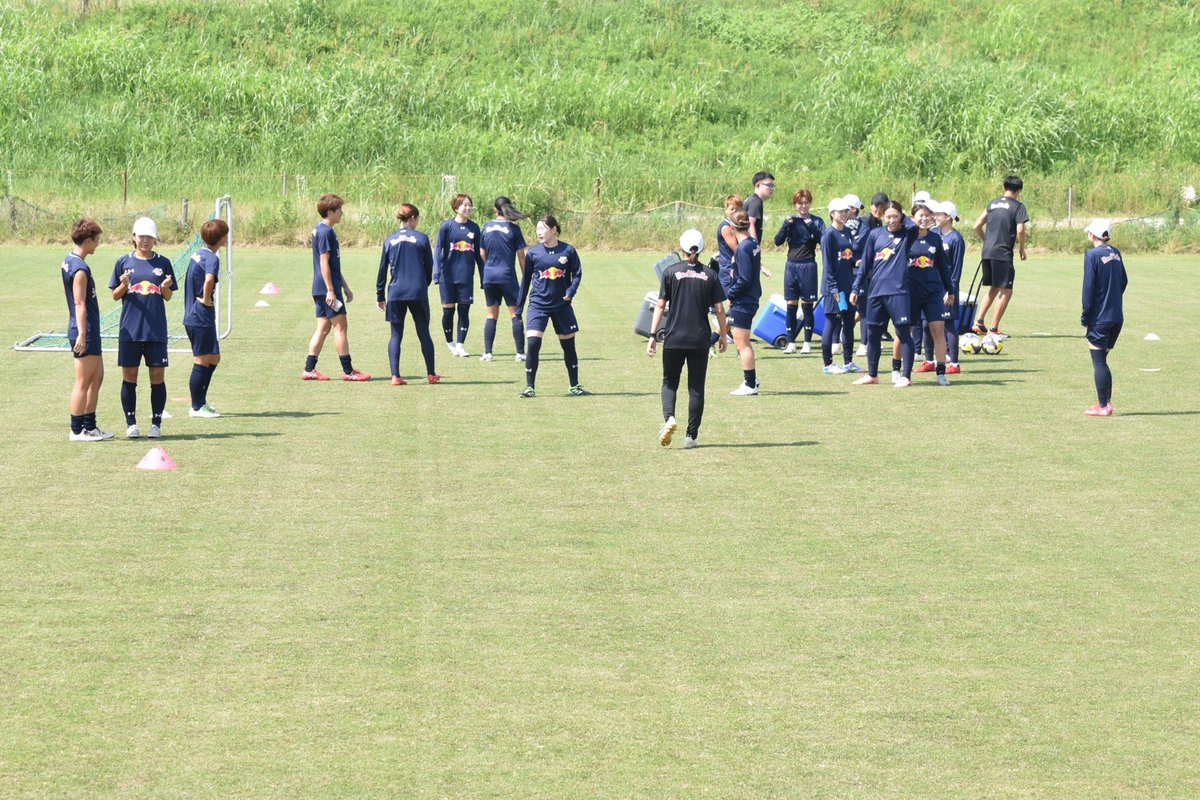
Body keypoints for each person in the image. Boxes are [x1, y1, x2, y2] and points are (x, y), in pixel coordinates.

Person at [646, 229, 728, 449]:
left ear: (681, 247)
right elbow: (720, 309)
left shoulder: (670, 272)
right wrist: (722, 334)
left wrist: (652, 335)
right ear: (701, 249)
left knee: (669, 382)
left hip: (674, 338)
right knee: (696, 388)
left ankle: (669, 418)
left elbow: (660, 305)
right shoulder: (710, 275)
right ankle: (691, 436)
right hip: (700, 340)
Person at [109, 216, 175, 438]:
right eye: (141, 236)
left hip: (156, 330)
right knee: (130, 378)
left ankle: (156, 425)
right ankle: (131, 424)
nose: (145, 241)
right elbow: (115, 295)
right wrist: (123, 285)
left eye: (150, 237)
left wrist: (165, 287)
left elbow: (168, 297)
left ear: (155, 239)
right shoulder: (123, 262)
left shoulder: (163, 263)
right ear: (134, 237)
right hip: (131, 331)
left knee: (157, 377)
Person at [849, 202, 920, 387]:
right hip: (876, 292)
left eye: (895, 216)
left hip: (898, 292)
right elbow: (865, 263)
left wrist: (903, 216)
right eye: (888, 216)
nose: (891, 220)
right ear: (882, 216)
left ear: (901, 216)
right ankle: (872, 375)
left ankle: (906, 376)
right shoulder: (875, 234)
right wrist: (856, 288)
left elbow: (914, 226)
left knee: (903, 333)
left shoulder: (907, 234)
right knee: (872, 333)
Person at [516, 215, 588, 397]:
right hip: (538, 304)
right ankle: (530, 387)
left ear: (554, 230)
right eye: (537, 229)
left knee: (569, 346)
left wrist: (571, 291)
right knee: (533, 343)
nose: (539, 232)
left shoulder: (568, 251)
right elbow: (525, 281)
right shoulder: (533, 253)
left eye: (543, 228)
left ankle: (574, 386)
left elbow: (577, 274)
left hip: (562, 305)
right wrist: (519, 307)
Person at [302, 193, 369, 381]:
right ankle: (348, 372)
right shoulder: (326, 232)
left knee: (323, 328)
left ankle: (309, 369)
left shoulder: (320, 230)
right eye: (339, 209)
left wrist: (344, 286)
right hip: (327, 289)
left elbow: (332, 266)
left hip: (321, 288)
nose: (342, 213)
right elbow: (324, 262)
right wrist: (331, 290)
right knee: (341, 327)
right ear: (330, 211)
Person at [376, 203, 439, 385]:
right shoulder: (422, 238)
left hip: (396, 292)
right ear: (412, 218)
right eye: (417, 219)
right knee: (424, 332)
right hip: (417, 291)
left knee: (396, 335)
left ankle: (395, 376)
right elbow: (429, 268)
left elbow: (382, 270)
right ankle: (431, 374)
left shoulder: (389, 240)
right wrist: (422, 285)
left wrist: (380, 295)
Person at [62, 218, 113, 441]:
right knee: (83, 381)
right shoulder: (80, 269)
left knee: (97, 377)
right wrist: (82, 334)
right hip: (85, 330)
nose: (98, 244)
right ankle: (76, 430)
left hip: (90, 329)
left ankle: (90, 426)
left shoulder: (70, 260)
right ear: (88, 240)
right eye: (97, 240)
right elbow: (79, 303)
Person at [893, 202, 954, 386]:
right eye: (921, 215)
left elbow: (942, 267)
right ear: (912, 218)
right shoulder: (905, 237)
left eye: (928, 215)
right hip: (909, 293)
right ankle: (896, 369)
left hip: (932, 292)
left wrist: (950, 289)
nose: (925, 218)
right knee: (903, 333)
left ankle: (941, 373)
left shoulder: (935, 238)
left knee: (938, 330)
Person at [971, 175, 1029, 337]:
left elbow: (976, 225)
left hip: (987, 252)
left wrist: (987, 241)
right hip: (1002, 253)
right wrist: (1022, 249)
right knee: (1007, 291)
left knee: (994, 287)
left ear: (1004, 188)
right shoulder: (1018, 206)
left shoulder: (992, 203)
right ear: (1019, 190)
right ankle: (994, 329)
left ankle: (978, 322)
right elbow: (1020, 230)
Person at [1080, 219, 1127, 416]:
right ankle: (1105, 403)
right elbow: (1124, 281)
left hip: (1099, 319)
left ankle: (1103, 405)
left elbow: (1088, 288)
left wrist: (1085, 316)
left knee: (1099, 362)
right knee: (1102, 360)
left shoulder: (1092, 255)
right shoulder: (1115, 252)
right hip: (1116, 317)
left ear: (1092, 235)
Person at [183, 219, 228, 417]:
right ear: (222, 238)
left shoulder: (198, 254)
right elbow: (209, 279)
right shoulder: (212, 258)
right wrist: (206, 299)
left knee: (214, 357)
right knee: (201, 360)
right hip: (200, 316)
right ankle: (196, 407)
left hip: (195, 315)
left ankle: (201, 401)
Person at [479, 196, 528, 362]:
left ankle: (487, 353)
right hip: (507, 276)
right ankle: (520, 353)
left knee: (491, 315)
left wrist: (490, 266)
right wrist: (526, 275)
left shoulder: (486, 226)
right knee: (515, 314)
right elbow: (521, 256)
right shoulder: (513, 229)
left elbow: (482, 253)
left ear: (495, 210)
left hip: (489, 276)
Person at [774, 188, 824, 354]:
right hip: (791, 266)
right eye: (800, 203)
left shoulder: (816, 221)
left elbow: (823, 240)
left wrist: (811, 227)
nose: (803, 206)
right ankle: (791, 342)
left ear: (810, 203)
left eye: (806, 203)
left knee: (808, 306)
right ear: (795, 204)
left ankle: (807, 343)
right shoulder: (791, 221)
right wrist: (785, 226)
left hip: (808, 266)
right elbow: (777, 241)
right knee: (791, 305)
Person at [435, 193, 484, 357]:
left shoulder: (474, 228)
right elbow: (437, 249)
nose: (468, 208)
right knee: (448, 312)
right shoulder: (446, 226)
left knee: (464, 311)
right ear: (456, 208)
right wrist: (436, 272)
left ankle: (461, 345)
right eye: (464, 205)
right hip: (447, 277)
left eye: (470, 205)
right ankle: (450, 343)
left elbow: (478, 255)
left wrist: (483, 276)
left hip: (466, 277)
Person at [920, 200, 965, 374]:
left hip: (946, 289)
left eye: (939, 214)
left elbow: (956, 268)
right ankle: (929, 360)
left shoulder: (956, 239)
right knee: (926, 323)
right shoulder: (935, 234)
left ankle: (953, 363)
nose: (935, 217)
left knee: (948, 323)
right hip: (932, 287)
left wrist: (950, 290)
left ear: (948, 217)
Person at [818, 197, 860, 374]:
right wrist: (833, 288)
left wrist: (856, 262)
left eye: (845, 211)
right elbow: (828, 264)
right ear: (832, 214)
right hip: (834, 288)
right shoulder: (828, 235)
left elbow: (847, 258)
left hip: (848, 285)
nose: (844, 214)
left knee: (849, 323)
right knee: (832, 322)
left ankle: (848, 362)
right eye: (840, 212)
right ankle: (828, 364)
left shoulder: (848, 232)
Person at [726, 211, 762, 395]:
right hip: (751, 298)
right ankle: (752, 379)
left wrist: (730, 293)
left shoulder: (743, 248)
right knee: (743, 342)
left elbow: (745, 279)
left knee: (742, 344)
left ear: (732, 228)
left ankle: (749, 384)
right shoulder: (753, 242)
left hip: (744, 301)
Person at [743, 172, 774, 243]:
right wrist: (755, 245)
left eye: (773, 186)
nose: (772, 189)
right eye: (769, 185)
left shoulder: (753, 199)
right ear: (757, 185)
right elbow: (750, 223)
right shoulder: (755, 201)